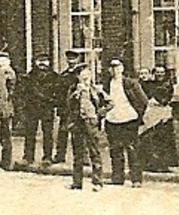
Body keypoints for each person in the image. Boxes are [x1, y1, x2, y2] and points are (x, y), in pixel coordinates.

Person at [104, 57, 147, 186]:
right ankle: (117, 178)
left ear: (122, 68)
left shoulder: (130, 83)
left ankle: (136, 179)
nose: (114, 70)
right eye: (112, 67)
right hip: (112, 120)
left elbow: (143, 101)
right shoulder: (107, 84)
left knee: (132, 150)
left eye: (117, 67)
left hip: (129, 119)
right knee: (115, 150)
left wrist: (137, 117)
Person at [67, 61, 110, 191]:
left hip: (91, 122)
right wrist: (76, 93)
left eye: (88, 76)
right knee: (78, 153)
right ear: (78, 77)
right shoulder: (73, 90)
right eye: (82, 76)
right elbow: (67, 104)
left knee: (94, 151)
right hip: (77, 122)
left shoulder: (96, 90)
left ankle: (97, 182)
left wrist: (99, 114)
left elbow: (110, 103)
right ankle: (77, 182)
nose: (86, 78)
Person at [20, 54, 60, 166]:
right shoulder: (29, 77)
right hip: (32, 108)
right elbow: (24, 93)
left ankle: (47, 157)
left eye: (45, 61)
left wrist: (52, 101)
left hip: (47, 108)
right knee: (30, 133)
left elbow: (59, 93)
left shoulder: (55, 77)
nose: (42, 63)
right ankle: (28, 157)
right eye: (39, 61)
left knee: (47, 133)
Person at [0, 52, 18, 172]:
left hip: (6, 108)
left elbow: (9, 93)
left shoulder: (9, 74)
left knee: (5, 135)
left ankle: (7, 162)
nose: (1, 63)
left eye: (4, 61)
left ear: (8, 62)